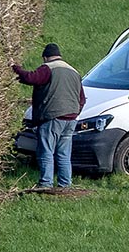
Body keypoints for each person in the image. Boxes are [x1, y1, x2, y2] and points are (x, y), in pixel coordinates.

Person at [12, 43, 84, 189]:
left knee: (46, 151)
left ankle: (46, 183)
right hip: (71, 119)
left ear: (45, 57)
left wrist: (16, 68)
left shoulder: (48, 68)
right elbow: (81, 98)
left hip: (53, 117)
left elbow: (32, 78)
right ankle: (65, 184)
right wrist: (75, 112)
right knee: (63, 154)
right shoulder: (74, 72)